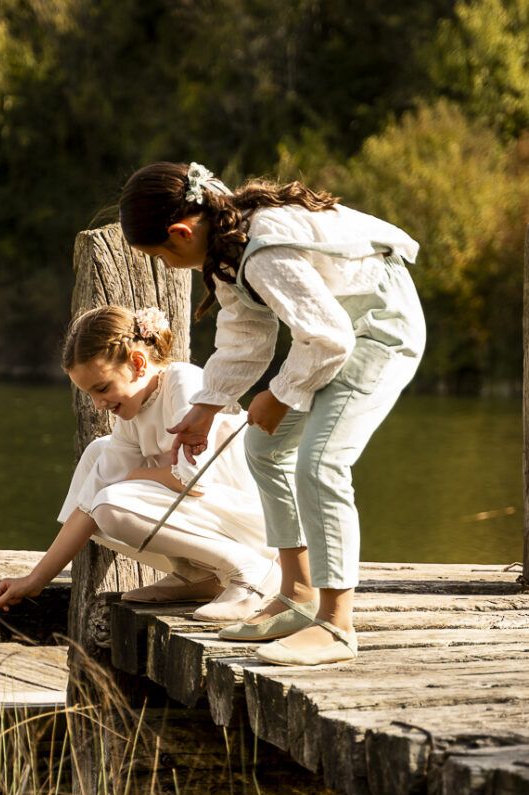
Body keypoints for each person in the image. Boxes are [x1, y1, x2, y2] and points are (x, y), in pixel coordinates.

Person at [119, 161, 426, 666]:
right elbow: (245, 337)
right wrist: (205, 406)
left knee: (322, 463)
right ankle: (298, 596)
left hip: (380, 333)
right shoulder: (226, 249)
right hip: (339, 335)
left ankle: (335, 625)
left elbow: (328, 338)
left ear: (180, 231)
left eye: (161, 255)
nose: (167, 265)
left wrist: (281, 395)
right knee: (265, 447)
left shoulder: (260, 249)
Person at [0, 304, 280, 621]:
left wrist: (137, 474)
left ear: (138, 363)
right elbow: (88, 503)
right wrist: (35, 581)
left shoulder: (185, 383)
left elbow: (192, 482)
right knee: (97, 462)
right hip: (210, 519)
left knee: (112, 503)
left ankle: (251, 571)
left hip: (249, 518)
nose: (98, 404)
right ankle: (198, 575)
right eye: (90, 394)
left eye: (102, 388)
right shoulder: (134, 414)